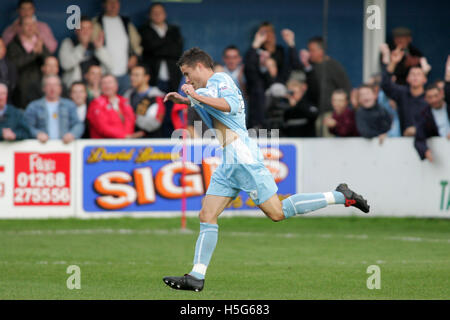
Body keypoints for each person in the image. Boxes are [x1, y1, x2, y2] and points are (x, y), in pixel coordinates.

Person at [162, 47, 370, 292]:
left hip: (242, 155)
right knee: (207, 215)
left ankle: (340, 196)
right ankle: (196, 276)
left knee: (277, 212)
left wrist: (193, 96)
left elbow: (227, 105)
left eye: (187, 74)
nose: (187, 80)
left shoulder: (221, 79)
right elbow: (212, 104)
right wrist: (186, 100)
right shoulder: (207, 88)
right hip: (229, 160)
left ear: (199, 66)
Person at [244, 23, 299, 129]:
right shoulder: (258, 82)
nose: (267, 35)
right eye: (263, 32)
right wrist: (256, 43)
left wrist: (291, 43)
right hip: (258, 125)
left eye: (272, 65)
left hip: (279, 126)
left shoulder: (280, 57)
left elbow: (294, 65)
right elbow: (249, 69)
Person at [299, 36, 352, 137]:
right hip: (315, 113)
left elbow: (346, 89)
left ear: (321, 51)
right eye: (309, 50)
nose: (310, 53)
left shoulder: (334, 66)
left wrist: (339, 113)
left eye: (312, 50)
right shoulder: (310, 67)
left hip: (330, 113)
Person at [92, 0, 142, 94]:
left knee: (124, 103)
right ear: (104, 5)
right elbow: (93, 45)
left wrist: (135, 56)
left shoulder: (125, 22)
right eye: (110, 3)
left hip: (125, 73)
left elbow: (137, 42)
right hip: (105, 73)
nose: (113, 5)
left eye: (115, 3)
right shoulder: (96, 22)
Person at [381, 46, 428, 137]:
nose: (415, 77)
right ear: (407, 79)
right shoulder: (402, 94)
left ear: (424, 79)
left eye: (418, 74)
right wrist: (393, 62)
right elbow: (385, 85)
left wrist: (417, 130)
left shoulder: (430, 97)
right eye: (412, 74)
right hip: (403, 142)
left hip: (427, 141)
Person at [6, 16, 50, 109]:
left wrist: (41, 51)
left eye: (33, 24)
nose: (30, 27)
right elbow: (14, 64)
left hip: (39, 88)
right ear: (21, 27)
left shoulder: (40, 42)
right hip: (20, 91)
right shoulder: (13, 44)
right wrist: (33, 53)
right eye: (27, 24)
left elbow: (49, 62)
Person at [24, 75, 83, 144]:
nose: (52, 88)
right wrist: (37, 134)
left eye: (55, 85)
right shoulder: (34, 106)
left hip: (65, 147)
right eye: (49, 85)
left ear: (60, 88)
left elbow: (78, 124)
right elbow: (26, 125)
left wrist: (72, 134)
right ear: (43, 88)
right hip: (41, 148)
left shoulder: (69, 105)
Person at [139, 2, 183, 93]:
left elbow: (177, 51)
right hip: (153, 77)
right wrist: (168, 46)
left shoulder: (174, 30)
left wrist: (157, 47)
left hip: (173, 77)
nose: (157, 15)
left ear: (165, 14)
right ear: (149, 15)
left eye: (160, 12)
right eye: (154, 12)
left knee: (172, 104)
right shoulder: (144, 30)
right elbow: (150, 49)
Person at [59, 16, 113, 89]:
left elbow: (111, 66)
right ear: (77, 30)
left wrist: (99, 48)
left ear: (92, 30)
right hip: (75, 89)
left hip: (95, 89)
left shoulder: (96, 44)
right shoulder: (69, 43)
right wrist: (82, 46)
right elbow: (65, 65)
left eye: (88, 28)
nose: (86, 31)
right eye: (82, 28)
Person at [87, 74, 143, 139]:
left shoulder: (124, 101)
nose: (107, 86)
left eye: (110, 82)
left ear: (116, 85)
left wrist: (127, 136)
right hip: (104, 146)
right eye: (104, 83)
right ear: (101, 87)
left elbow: (131, 120)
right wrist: (124, 136)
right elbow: (102, 127)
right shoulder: (96, 103)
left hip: (125, 144)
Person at [123, 65, 166, 138]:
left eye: (136, 75)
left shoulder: (157, 97)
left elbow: (155, 123)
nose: (132, 78)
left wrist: (132, 117)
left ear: (146, 78)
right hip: (129, 141)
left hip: (151, 142)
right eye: (132, 75)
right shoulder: (128, 95)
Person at [414, 80, 450, 162]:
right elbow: (419, 138)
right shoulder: (424, 115)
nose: (434, 100)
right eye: (430, 97)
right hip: (442, 156)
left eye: (436, 96)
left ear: (442, 94)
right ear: (425, 98)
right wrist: (426, 151)